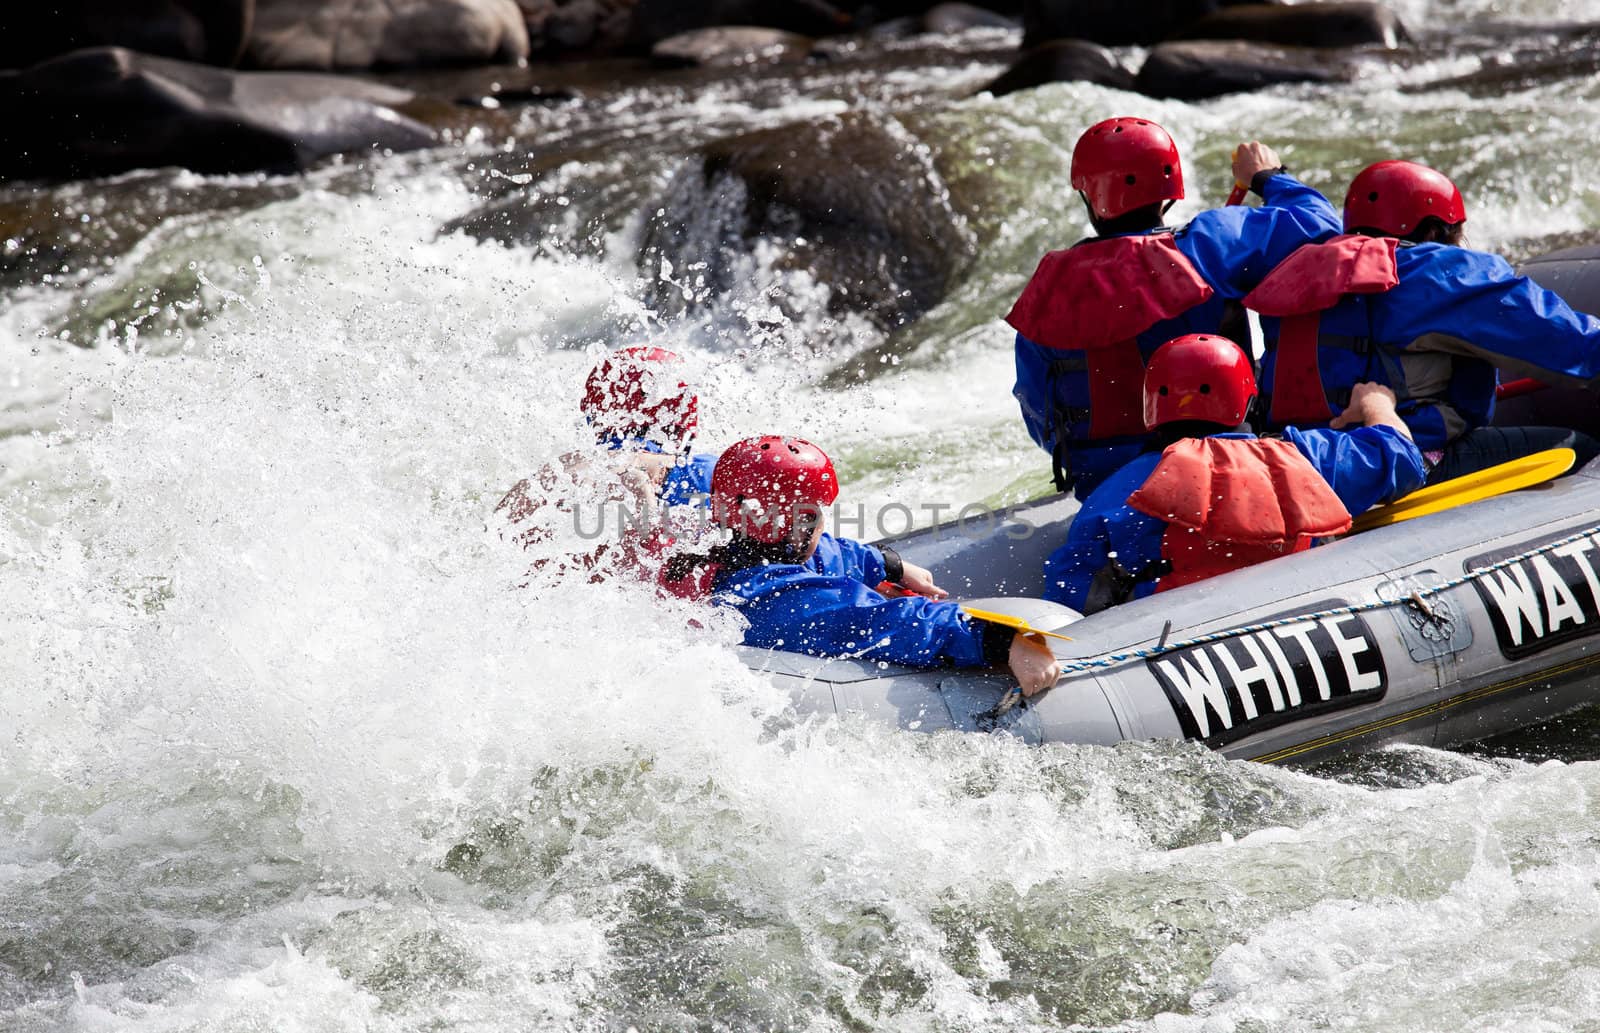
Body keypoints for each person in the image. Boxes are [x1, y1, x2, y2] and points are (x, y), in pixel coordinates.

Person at [1008, 117, 1343, 500]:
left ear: (1089, 196)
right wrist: (1269, 176)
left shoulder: (1049, 290)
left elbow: (1041, 418)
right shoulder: (1210, 245)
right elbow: (1322, 224)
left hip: (1106, 487)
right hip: (1226, 468)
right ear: (1169, 190)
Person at [1245, 159, 1600, 482]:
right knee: (1581, 449)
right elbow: (1576, 348)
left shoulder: (1299, 268)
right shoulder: (1443, 274)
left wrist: (1270, 179)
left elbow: (1301, 207)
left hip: (1312, 459)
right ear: (1432, 232)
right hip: (1405, 461)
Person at [1043, 334, 1427, 613]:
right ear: (1247, 398)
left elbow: (1070, 599)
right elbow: (1405, 459)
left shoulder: (1117, 492)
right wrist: (1378, 403)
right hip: (1308, 612)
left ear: (1152, 410)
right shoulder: (1308, 457)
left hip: (1175, 641)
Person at [663, 435, 1063, 697]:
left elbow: (829, 552)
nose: (824, 523)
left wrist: (887, 565)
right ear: (801, 527)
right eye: (818, 514)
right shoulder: (778, 599)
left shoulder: (729, 549)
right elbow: (887, 620)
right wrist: (1000, 640)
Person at [497, 347, 717, 582]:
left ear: (595, 413)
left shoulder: (558, 472)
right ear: (685, 419)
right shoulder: (701, 472)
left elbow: (496, 538)